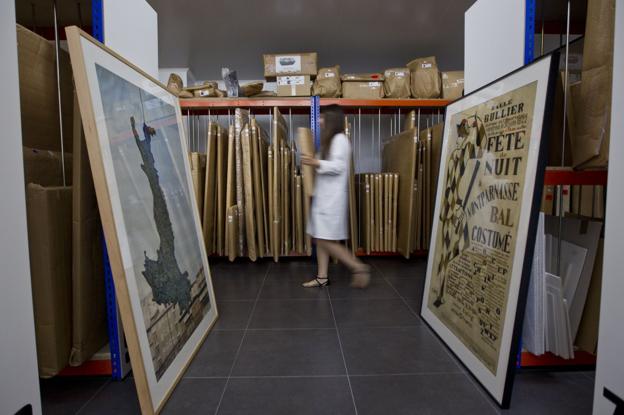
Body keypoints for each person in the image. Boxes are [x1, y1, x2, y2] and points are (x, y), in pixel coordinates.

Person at [301, 105, 371, 288]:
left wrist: (315, 161)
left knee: (324, 239)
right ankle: (322, 277)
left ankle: (357, 266)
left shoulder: (340, 140)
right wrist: (313, 160)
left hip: (331, 201)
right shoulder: (330, 141)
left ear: (331, 119)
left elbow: (338, 167)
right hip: (324, 198)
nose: (320, 121)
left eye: (323, 117)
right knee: (321, 237)